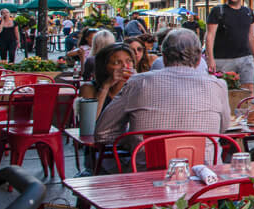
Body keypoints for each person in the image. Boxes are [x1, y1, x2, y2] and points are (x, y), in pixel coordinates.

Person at [94, 29, 232, 147]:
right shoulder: (218, 85)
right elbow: (223, 128)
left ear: (164, 58)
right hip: (203, 171)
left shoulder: (138, 82)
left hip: (148, 174)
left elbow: (102, 133)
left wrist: (132, 138)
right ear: (198, 60)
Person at [206, 0, 254, 90]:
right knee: (222, 89)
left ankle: (248, 107)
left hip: (245, 57)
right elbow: (210, 36)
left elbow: (251, 36)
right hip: (222, 58)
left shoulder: (248, 12)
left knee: (249, 88)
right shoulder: (218, 11)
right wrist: (210, 58)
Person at [91, 44, 136, 112]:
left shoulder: (135, 88)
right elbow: (90, 120)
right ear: (103, 67)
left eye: (129, 61)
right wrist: (106, 86)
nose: (125, 66)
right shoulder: (89, 88)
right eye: (117, 62)